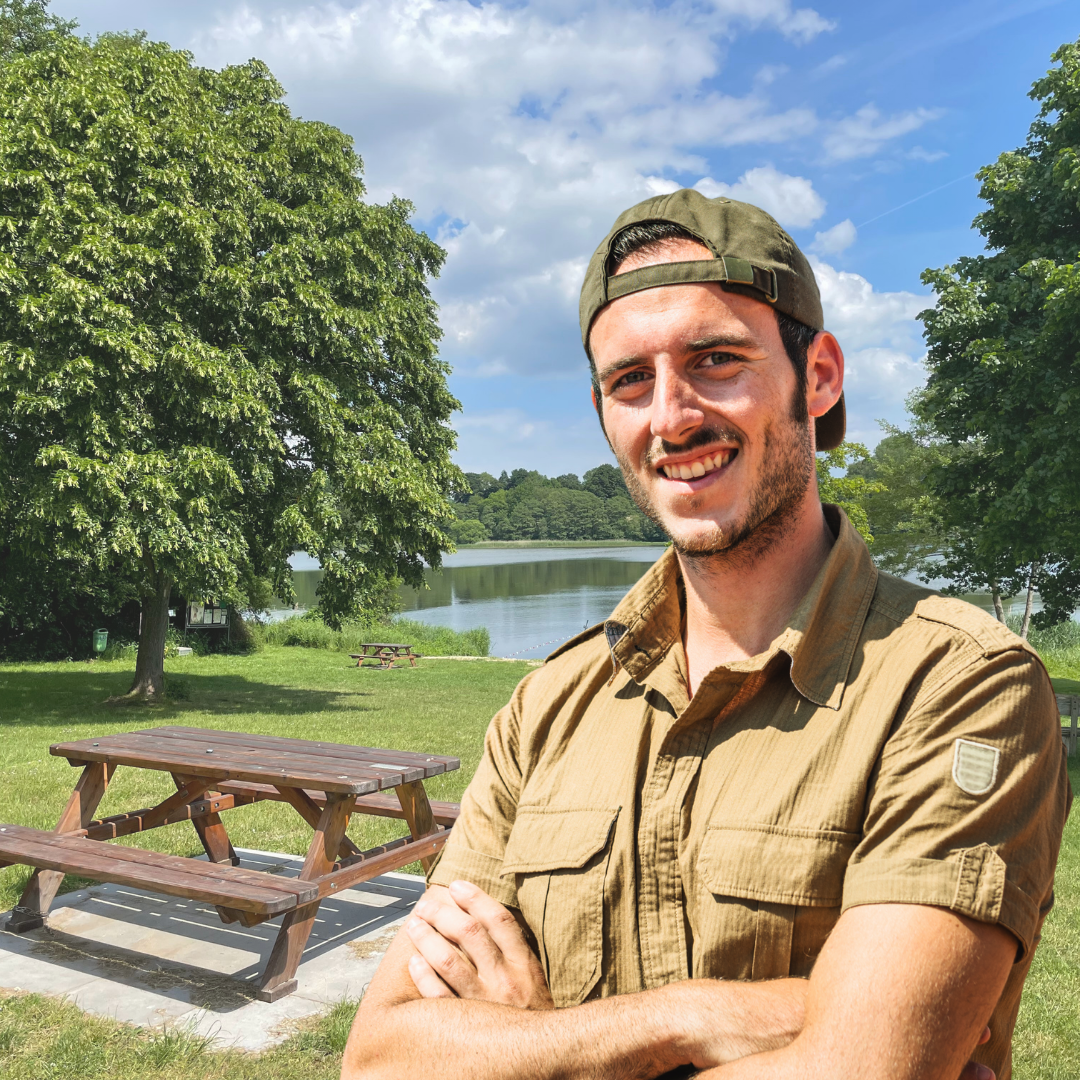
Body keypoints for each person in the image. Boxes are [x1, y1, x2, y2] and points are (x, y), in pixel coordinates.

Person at [341, 189, 1070, 1080]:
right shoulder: (546, 707)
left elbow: (863, 1071)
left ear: (822, 376)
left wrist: (532, 1046)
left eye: (718, 359)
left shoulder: (957, 684)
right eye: (628, 382)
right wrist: (701, 1020)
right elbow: (380, 1058)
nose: (672, 416)